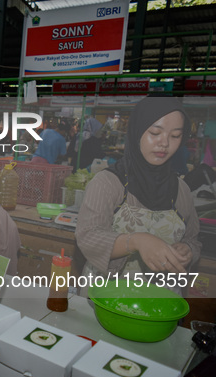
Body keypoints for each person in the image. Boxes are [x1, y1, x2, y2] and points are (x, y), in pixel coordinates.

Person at [75, 97, 201, 294]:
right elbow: (88, 236)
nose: (164, 143)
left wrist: (187, 250)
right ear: (136, 132)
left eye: (175, 136)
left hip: (161, 302)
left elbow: (193, 239)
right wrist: (135, 241)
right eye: (155, 133)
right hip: (105, 298)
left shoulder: (181, 190)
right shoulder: (108, 183)